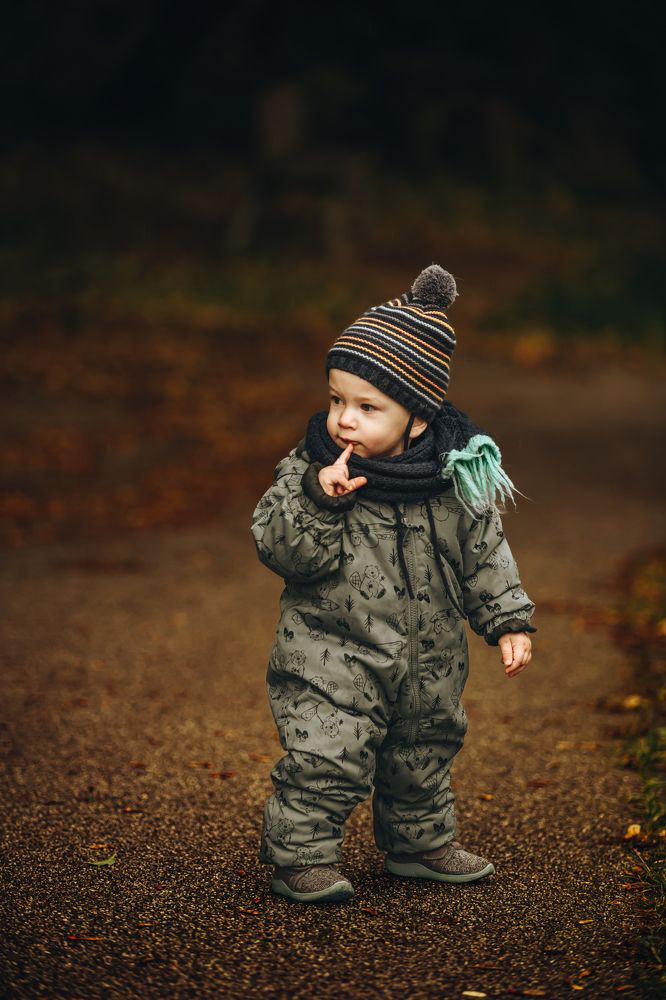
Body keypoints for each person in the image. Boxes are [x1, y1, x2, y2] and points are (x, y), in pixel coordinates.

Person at [250, 264, 536, 904]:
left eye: (366, 406)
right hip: (332, 654)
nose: (343, 420)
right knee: (326, 754)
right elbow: (278, 546)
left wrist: (508, 619)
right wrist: (318, 503)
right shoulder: (313, 472)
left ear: (416, 419)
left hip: (427, 657)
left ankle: (420, 844)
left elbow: (484, 552)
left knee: (424, 746)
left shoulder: (452, 479)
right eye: (335, 400)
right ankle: (301, 855)